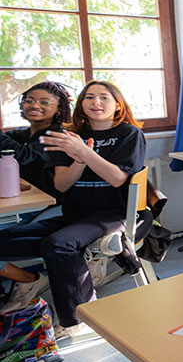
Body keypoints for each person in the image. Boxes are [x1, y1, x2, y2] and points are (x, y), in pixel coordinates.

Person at [0, 80, 145, 339]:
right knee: (11, 240)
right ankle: (34, 279)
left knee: (59, 245)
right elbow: (61, 184)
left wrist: (84, 152)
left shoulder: (129, 134)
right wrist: (77, 159)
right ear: (81, 104)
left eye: (104, 97)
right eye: (89, 97)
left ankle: (79, 319)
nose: (96, 102)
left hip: (113, 214)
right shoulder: (69, 136)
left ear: (118, 104)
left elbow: (117, 178)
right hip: (76, 214)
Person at [0, 81, 73, 308]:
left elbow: (23, 156)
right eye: (29, 101)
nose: (34, 105)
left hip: (50, 208)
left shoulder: (56, 136)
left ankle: (30, 280)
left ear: (58, 110)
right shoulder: (24, 133)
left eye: (44, 102)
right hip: (24, 203)